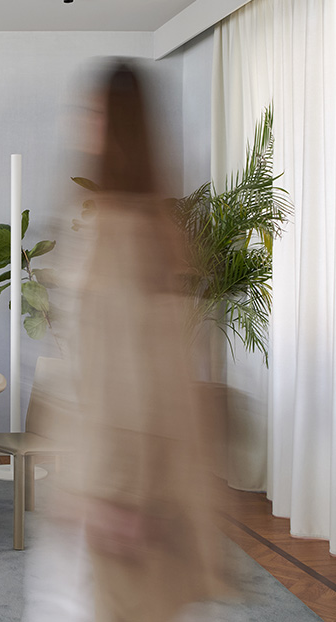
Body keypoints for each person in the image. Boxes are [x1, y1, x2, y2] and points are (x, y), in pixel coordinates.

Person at [30, 60, 229, 622]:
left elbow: (129, 380)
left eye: (90, 112)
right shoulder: (156, 231)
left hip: (113, 489)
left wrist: (114, 492)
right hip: (126, 481)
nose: (77, 122)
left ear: (110, 126)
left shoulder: (118, 234)